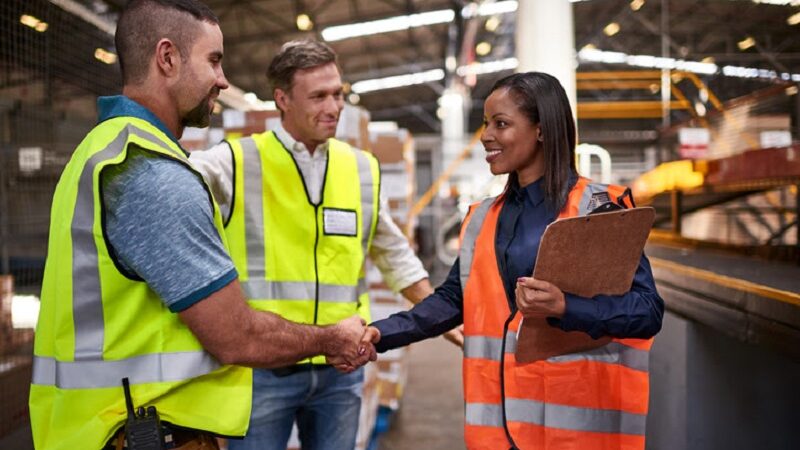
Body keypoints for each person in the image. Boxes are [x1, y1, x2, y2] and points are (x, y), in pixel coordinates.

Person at [28, 3, 373, 450]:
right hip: (142, 431)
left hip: (107, 424)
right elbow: (235, 336)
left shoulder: (105, 149)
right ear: (167, 58)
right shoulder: (152, 175)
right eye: (213, 60)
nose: (223, 79)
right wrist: (330, 338)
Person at [358, 72, 665, 450]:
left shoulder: (599, 210)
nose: (486, 135)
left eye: (501, 124)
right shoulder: (482, 218)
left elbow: (647, 311)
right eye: (486, 123)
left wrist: (568, 307)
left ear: (541, 130)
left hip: (577, 433)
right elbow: (453, 299)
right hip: (500, 434)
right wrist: (382, 333)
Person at [188, 38, 456, 450]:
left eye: (337, 94)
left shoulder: (360, 168)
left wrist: (442, 317)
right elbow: (169, 184)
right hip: (263, 367)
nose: (333, 108)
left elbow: (393, 253)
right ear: (282, 99)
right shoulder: (235, 162)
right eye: (318, 96)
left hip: (342, 367)